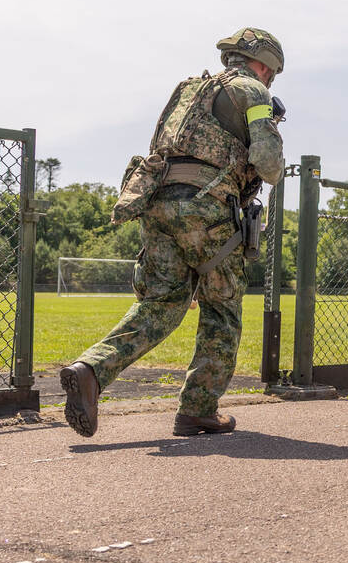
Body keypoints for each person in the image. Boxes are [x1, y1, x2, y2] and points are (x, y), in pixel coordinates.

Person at [59, 28, 286, 438]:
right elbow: (268, 164)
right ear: (265, 64)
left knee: (160, 303)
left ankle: (91, 370)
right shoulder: (254, 91)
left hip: (158, 202)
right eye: (272, 72)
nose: (270, 79)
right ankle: (198, 409)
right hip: (208, 207)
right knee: (222, 309)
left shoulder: (188, 89)